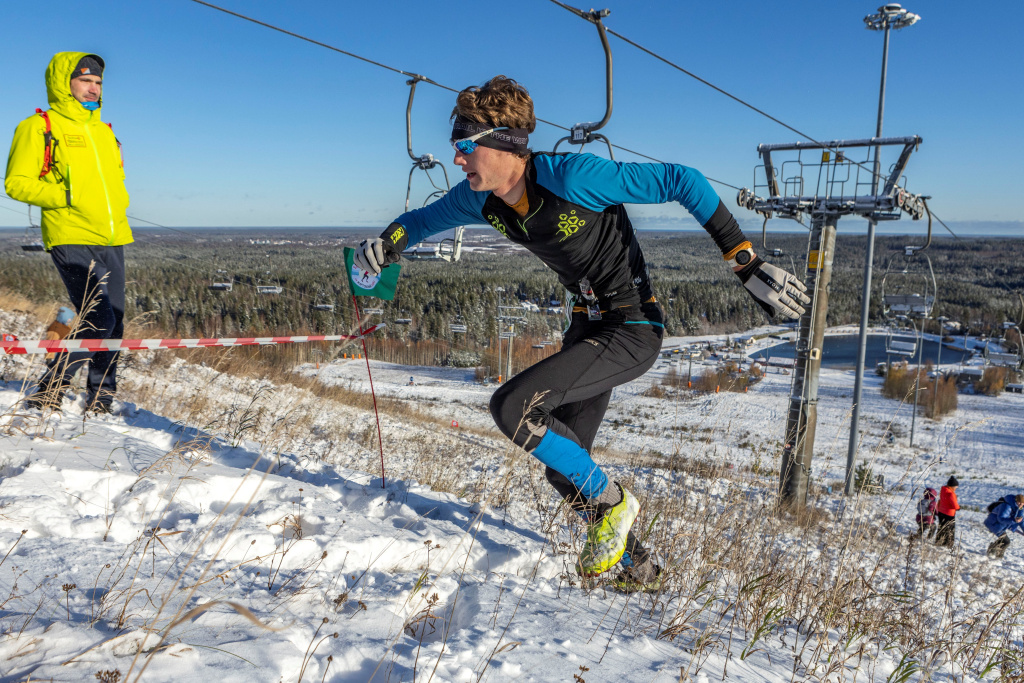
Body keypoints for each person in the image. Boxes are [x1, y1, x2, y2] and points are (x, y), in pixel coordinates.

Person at [353, 75, 809, 591]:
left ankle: (615, 503)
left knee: (514, 409)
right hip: (588, 327)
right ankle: (643, 569)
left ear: (504, 143)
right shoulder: (482, 200)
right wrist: (386, 244)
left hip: (632, 327)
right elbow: (416, 222)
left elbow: (684, 180)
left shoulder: (572, 177)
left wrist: (743, 260)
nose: (457, 159)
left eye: (464, 147)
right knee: (562, 467)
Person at [5, 52, 132, 414]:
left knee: (116, 321)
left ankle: (101, 398)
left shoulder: (105, 133)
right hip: (69, 233)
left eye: (98, 83)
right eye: (84, 80)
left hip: (113, 236)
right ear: (65, 83)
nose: (92, 88)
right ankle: (49, 390)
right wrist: (67, 195)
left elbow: (113, 185)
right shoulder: (39, 126)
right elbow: (16, 183)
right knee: (99, 317)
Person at [984, 494, 1024, 559]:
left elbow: (1021, 521)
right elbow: (1001, 519)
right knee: (1006, 541)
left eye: (1022, 503)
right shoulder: (1006, 506)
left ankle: (993, 552)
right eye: (1019, 502)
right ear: (1016, 500)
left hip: (1001, 526)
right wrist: (1014, 520)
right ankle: (997, 555)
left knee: (1004, 540)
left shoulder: (1020, 509)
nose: (1021, 505)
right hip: (993, 523)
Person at [935, 476, 960, 548]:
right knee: (950, 530)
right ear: (952, 486)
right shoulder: (951, 494)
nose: (956, 488)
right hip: (949, 514)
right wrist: (958, 508)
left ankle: (939, 541)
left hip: (941, 512)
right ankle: (949, 544)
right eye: (955, 487)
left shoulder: (943, 490)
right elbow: (954, 505)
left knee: (941, 527)